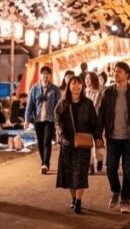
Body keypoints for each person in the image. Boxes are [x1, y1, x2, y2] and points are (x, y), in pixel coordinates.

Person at [96, 62, 130, 214]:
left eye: (119, 71)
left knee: (128, 171)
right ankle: (116, 190)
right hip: (112, 138)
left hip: (129, 138)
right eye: (114, 71)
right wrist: (98, 135)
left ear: (127, 74)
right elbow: (101, 115)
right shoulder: (107, 92)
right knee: (110, 169)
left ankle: (125, 201)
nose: (116, 73)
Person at [55, 76, 97, 213]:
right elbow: (57, 120)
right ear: (69, 86)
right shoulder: (63, 103)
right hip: (67, 144)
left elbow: (94, 122)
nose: (77, 86)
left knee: (80, 173)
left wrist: (97, 138)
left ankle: (78, 201)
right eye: (74, 83)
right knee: (70, 173)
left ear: (82, 86)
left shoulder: (88, 103)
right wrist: (61, 134)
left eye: (79, 84)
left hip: (83, 144)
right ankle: (73, 198)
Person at [26, 67, 61, 174]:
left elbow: (59, 106)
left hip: (50, 120)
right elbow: (30, 104)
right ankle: (44, 162)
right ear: (40, 75)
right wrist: (27, 119)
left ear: (50, 76)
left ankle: (45, 163)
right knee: (40, 142)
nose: (45, 75)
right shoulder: (34, 89)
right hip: (38, 120)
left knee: (47, 141)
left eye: (47, 73)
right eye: (43, 73)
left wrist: (59, 120)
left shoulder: (55, 89)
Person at [85, 72, 105, 173]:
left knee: (97, 142)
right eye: (86, 78)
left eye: (89, 78)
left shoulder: (99, 92)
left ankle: (100, 160)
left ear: (93, 79)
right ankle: (90, 165)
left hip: (97, 121)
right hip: (86, 121)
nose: (87, 80)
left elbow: (99, 107)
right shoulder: (83, 92)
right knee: (88, 143)